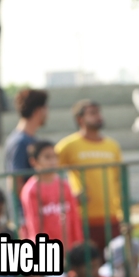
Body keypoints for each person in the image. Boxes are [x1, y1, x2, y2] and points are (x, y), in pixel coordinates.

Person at [56, 100, 123, 253]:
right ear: (80, 119)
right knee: (89, 264)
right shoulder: (68, 145)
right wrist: (69, 197)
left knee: (115, 263)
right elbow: (47, 174)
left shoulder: (112, 145)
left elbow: (119, 180)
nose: (98, 116)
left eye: (99, 112)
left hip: (112, 217)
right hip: (83, 219)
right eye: (92, 113)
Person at [19, 141, 85, 248]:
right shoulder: (31, 190)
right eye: (47, 157)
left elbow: (74, 217)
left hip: (69, 246)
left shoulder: (64, 185)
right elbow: (34, 224)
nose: (53, 161)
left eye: (55, 157)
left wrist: (78, 242)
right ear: (34, 161)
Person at [3, 88, 49, 205]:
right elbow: (15, 182)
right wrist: (32, 205)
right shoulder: (19, 142)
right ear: (38, 110)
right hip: (26, 212)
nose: (47, 113)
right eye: (45, 108)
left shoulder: (29, 139)